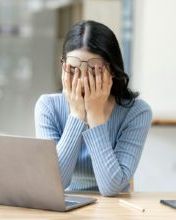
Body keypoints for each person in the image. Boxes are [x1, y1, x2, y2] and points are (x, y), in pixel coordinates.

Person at [34, 20, 152, 196]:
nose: (81, 80)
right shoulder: (48, 107)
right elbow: (53, 183)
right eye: (73, 69)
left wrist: (95, 115)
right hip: (66, 206)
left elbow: (111, 187)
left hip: (115, 209)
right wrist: (76, 115)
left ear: (112, 70)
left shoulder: (136, 112)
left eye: (94, 71)